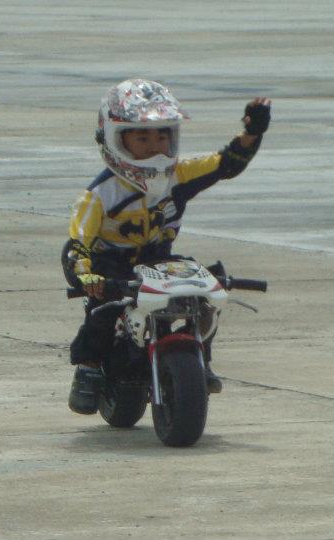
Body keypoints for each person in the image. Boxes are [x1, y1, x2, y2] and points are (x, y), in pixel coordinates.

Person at [61, 78, 271, 415]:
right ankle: (88, 367)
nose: (154, 145)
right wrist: (87, 277)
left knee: (202, 290)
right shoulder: (99, 195)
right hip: (111, 264)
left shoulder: (180, 175)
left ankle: (200, 358)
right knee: (106, 310)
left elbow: (226, 163)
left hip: (159, 261)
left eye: (162, 135)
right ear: (115, 139)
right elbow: (77, 245)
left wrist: (253, 133)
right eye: (142, 137)